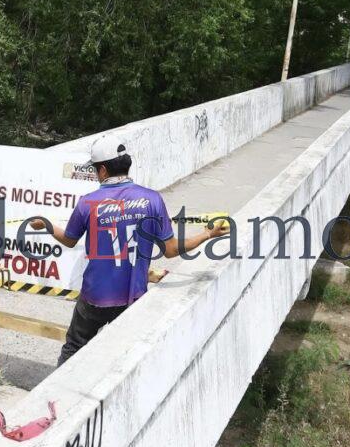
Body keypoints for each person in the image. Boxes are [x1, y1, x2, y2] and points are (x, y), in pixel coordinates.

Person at [31, 134, 228, 365]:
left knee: (74, 348)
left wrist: (46, 225)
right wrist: (207, 234)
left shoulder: (88, 203)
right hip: (132, 299)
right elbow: (172, 250)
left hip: (94, 297)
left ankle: (59, 397)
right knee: (123, 357)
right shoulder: (152, 200)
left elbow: (69, 240)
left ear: (103, 170)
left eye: (95, 170)